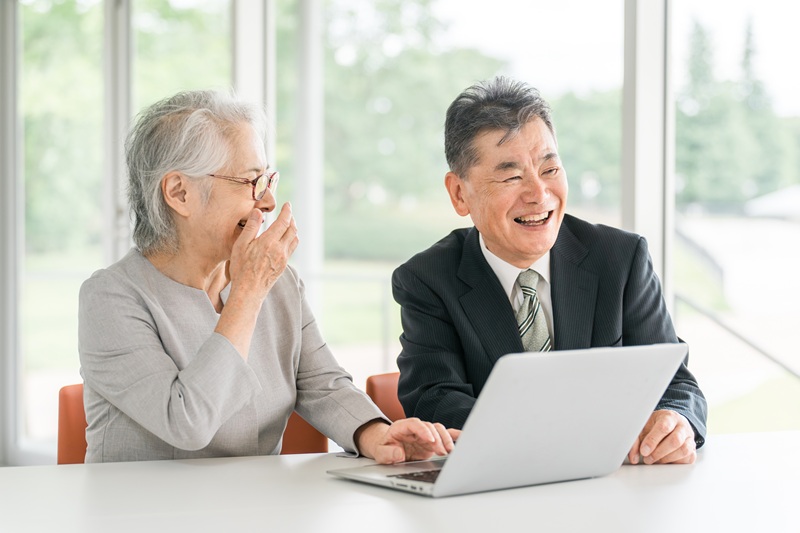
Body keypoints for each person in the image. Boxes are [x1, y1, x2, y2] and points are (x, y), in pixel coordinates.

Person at [78, 89, 458, 464]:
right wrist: (248, 292)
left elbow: (322, 385)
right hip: (146, 502)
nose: (269, 202)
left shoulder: (277, 281)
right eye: (251, 182)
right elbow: (187, 422)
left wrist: (377, 435)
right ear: (179, 193)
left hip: (258, 499)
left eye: (267, 180)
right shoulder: (110, 299)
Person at [392, 76, 707, 465]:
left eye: (550, 169)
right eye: (511, 176)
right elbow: (434, 397)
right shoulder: (427, 279)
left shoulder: (621, 259)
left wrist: (676, 420)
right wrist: (555, 433)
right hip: (499, 483)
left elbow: (674, 381)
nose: (538, 195)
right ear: (459, 193)